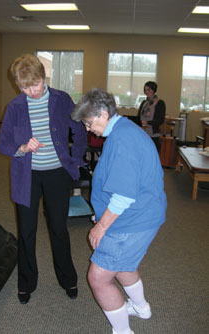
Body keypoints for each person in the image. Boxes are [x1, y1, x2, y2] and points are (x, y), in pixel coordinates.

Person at [71, 88, 167, 334]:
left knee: (99, 278)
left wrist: (101, 225)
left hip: (131, 221)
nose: (87, 128)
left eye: (89, 123)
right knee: (124, 265)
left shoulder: (122, 140)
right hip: (144, 213)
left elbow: (124, 195)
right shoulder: (124, 129)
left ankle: (123, 331)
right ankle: (141, 308)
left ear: (104, 114)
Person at [0, 54, 87, 304]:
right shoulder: (15, 106)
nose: (31, 91)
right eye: (25, 87)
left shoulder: (61, 100)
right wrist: (22, 148)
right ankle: (26, 281)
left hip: (57, 174)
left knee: (58, 228)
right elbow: (4, 143)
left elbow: (78, 130)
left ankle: (68, 278)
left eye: (34, 84)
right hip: (26, 176)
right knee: (26, 230)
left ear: (43, 78)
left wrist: (77, 159)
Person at [137, 81, 166, 152]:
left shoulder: (160, 103)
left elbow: (160, 120)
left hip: (153, 135)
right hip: (142, 133)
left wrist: (147, 122)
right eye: (145, 90)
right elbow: (139, 117)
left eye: (148, 89)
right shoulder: (144, 103)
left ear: (154, 90)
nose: (146, 91)